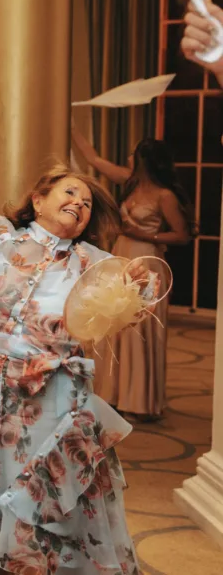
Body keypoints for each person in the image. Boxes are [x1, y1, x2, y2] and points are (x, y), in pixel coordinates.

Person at [0, 167, 139, 574]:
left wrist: (137, 287)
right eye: (70, 193)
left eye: (87, 204)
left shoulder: (94, 263)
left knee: (39, 510)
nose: (79, 205)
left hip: (49, 407)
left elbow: (133, 300)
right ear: (38, 200)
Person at [73, 133, 195, 420]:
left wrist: (144, 233)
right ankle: (112, 395)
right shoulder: (130, 182)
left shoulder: (164, 195)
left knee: (141, 333)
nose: (128, 158)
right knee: (114, 327)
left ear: (144, 161)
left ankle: (140, 402)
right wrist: (74, 125)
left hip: (148, 260)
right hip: (122, 258)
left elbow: (182, 234)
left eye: (133, 154)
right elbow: (94, 160)